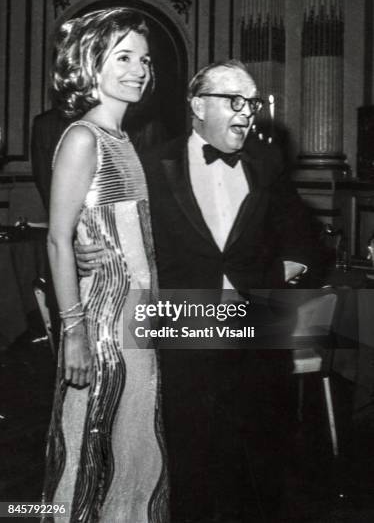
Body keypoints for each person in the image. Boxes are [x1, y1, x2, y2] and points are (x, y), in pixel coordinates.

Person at [77, 60, 326, 522]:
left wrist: (280, 273)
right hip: (183, 333)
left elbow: (304, 236)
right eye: (234, 100)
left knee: (258, 465)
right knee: (189, 464)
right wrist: (82, 247)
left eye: (251, 102)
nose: (247, 112)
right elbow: (113, 228)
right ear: (197, 105)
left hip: (256, 328)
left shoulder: (266, 163)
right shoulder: (151, 165)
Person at [43, 7, 169, 523]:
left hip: (140, 320)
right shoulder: (82, 138)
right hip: (102, 324)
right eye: (123, 56)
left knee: (135, 446)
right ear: (92, 62)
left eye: (143, 59)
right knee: (90, 447)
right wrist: (73, 332)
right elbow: (56, 239)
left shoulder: (124, 140)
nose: (139, 68)